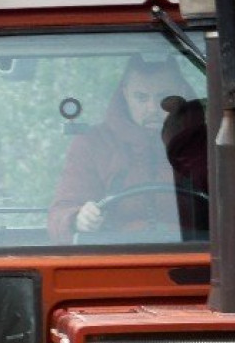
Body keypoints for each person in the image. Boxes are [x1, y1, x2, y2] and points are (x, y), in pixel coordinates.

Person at [49, 57, 202, 243]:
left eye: (164, 98)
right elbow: (60, 214)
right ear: (125, 94)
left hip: (200, 253)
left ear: (181, 93)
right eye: (141, 97)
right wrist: (78, 218)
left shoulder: (209, 143)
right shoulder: (93, 144)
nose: (152, 108)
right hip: (115, 255)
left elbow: (233, 207)